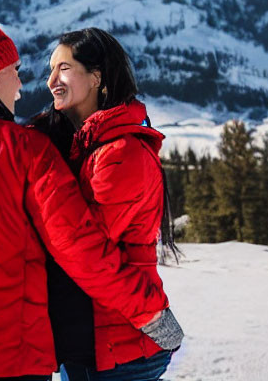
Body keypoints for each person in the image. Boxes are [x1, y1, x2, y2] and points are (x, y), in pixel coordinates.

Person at [0, 23, 182, 381]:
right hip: (9, 357)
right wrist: (152, 313)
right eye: (15, 71)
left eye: (63, 68)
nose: (24, 84)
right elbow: (78, 248)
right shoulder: (27, 149)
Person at [29, 27, 180, 381]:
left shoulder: (121, 154)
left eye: (63, 68)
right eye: (50, 70)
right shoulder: (85, 145)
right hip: (87, 346)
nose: (51, 80)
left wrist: (152, 316)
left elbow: (87, 255)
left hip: (119, 349)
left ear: (97, 77)